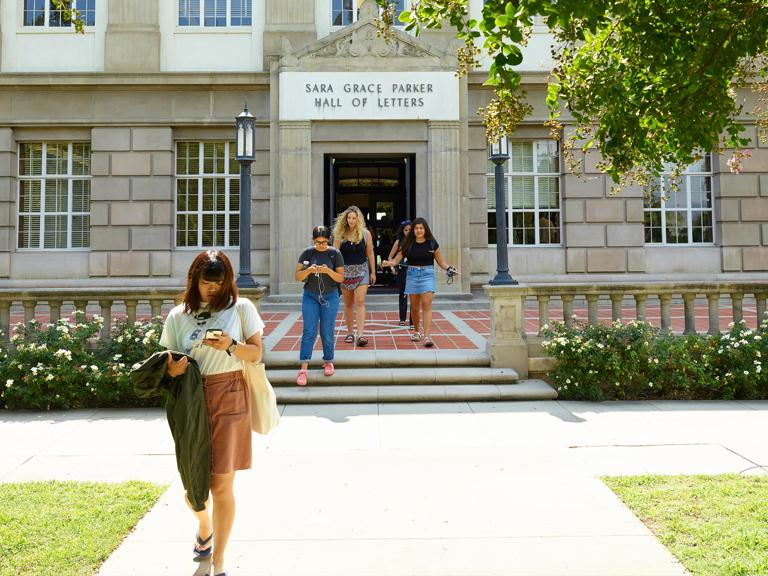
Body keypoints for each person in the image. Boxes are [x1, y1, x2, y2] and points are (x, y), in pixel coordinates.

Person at [160, 249, 265, 576]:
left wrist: (231, 345)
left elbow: (257, 353)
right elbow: (168, 363)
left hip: (230, 393)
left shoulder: (242, 308)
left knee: (221, 486)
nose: (213, 290)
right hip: (190, 398)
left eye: (219, 284)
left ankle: (218, 562)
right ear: (195, 281)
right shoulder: (178, 316)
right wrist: (173, 370)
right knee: (195, 488)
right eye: (207, 283)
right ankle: (204, 526)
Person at [382, 217, 458, 348]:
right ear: (413, 230)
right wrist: (390, 263)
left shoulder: (432, 243)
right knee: (415, 308)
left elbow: (441, 262)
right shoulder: (407, 243)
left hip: (427, 275)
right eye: (416, 228)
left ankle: (427, 336)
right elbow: (397, 259)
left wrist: (450, 268)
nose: (418, 230)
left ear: (425, 229)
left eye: (421, 228)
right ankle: (417, 331)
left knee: (427, 304)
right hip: (411, 275)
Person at [295, 225, 345, 386]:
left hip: (330, 295)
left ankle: (328, 360)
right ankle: (303, 368)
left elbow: (340, 278)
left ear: (329, 240)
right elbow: (297, 276)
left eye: (324, 242)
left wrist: (328, 271)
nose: (321, 245)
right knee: (309, 330)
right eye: (318, 242)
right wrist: (309, 270)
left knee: (327, 330)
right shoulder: (307, 253)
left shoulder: (334, 254)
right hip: (310, 295)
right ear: (313, 240)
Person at [333, 206, 376, 347]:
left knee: (360, 301)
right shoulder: (340, 235)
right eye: (349, 218)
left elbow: (370, 253)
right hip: (345, 273)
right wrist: (335, 273)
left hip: (362, 271)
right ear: (346, 219)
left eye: (354, 218)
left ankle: (361, 335)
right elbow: (335, 254)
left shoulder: (366, 234)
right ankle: (350, 333)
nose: (351, 220)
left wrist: (373, 272)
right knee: (349, 304)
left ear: (358, 219)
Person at [388, 220, 413, 327]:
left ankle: (413, 321)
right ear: (402, 231)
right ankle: (402, 318)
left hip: (413, 270)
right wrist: (392, 267)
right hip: (401, 271)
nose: (407, 232)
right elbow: (390, 257)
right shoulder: (398, 242)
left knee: (413, 295)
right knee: (402, 294)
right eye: (405, 230)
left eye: (409, 230)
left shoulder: (416, 241)